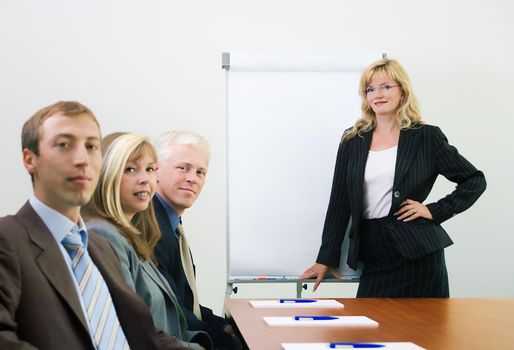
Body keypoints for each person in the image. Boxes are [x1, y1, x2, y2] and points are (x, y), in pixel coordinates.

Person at [0, 101, 193, 349]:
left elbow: (144, 336)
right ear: (30, 160)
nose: (82, 159)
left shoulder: (98, 248)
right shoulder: (8, 240)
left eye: (92, 146)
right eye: (64, 145)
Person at [300, 59, 487, 297]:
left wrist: (434, 210)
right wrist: (326, 257)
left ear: (402, 91)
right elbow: (340, 202)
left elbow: (474, 180)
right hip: (374, 254)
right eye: (370, 89)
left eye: (386, 87)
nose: (377, 94)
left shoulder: (426, 137)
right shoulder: (352, 140)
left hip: (419, 255)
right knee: (369, 331)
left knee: (424, 332)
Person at [83, 132, 212, 350]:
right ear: (105, 174)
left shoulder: (133, 236)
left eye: (150, 169)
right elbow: (133, 333)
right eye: (131, 169)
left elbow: (169, 319)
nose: (145, 179)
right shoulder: (103, 236)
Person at [153, 130, 238, 350]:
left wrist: (224, 325)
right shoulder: (151, 228)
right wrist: (218, 334)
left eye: (201, 172)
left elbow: (183, 300)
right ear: (156, 170)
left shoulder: (171, 224)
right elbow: (169, 309)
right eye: (183, 168)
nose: (193, 178)